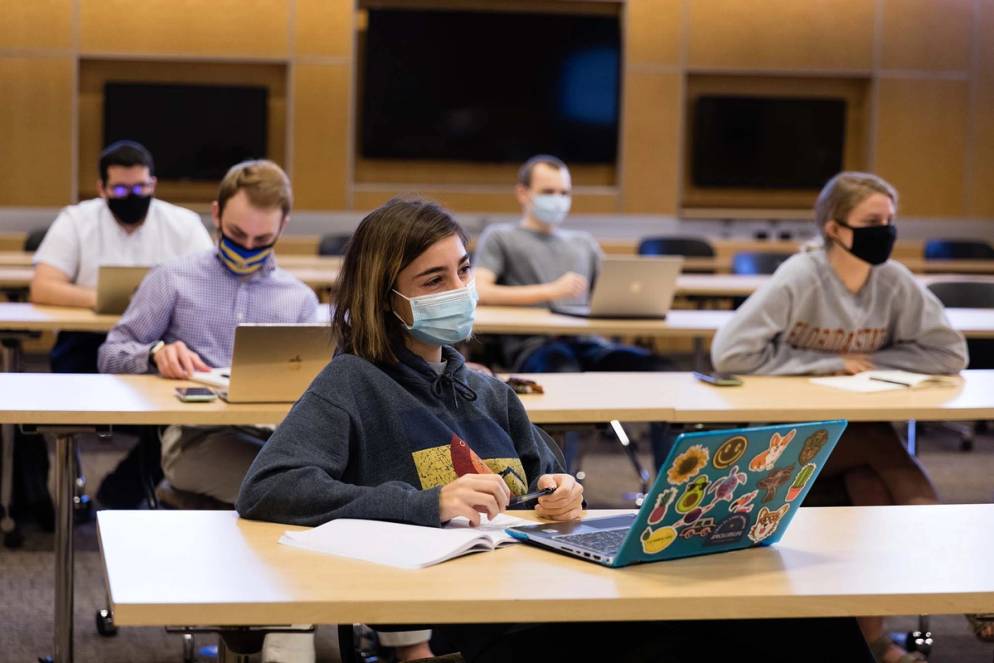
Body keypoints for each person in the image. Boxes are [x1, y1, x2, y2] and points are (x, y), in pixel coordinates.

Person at [237, 197, 873, 663]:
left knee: (801, 619)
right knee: (714, 638)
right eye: (434, 280)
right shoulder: (353, 382)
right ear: (384, 297)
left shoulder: (487, 391)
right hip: (473, 627)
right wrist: (425, 504)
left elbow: (551, 484)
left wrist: (564, 492)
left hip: (551, 596)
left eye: (463, 270)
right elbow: (269, 487)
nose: (459, 289)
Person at [711, 171, 968, 663]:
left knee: (870, 485)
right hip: (784, 439)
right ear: (834, 227)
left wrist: (884, 364)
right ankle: (958, 561)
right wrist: (822, 363)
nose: (885, 231)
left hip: (852, 436)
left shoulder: (893, 280)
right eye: (873, 221)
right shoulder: (801, 276)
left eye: (891, 221)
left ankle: (873, 643)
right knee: (878, 449)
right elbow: (730, 353)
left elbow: (949, 352)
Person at [98, 159, 319, 506]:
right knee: (298, 491)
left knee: (320, 478)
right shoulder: (172, 278)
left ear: (283, 226)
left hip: (277, 438)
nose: (247, 247)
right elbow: (110, 354)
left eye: (262, 239)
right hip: (195, 439)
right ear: (216, 214)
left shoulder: (300, 299)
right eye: (236, 234)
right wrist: (154, 354)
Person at [21, 140, 213, 516]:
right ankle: (41, 506)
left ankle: (118, 494)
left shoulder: (182, 224)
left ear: (153, 184)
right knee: (35, 408)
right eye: (122, 190)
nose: (133, 196)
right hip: (85, 344)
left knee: (189, 413)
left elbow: (207, 286)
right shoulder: (77, 220)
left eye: (141, 188)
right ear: (102, 189)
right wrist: (106, 299)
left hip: (161, 344)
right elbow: (42, 285)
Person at [473, 155, 672, 468]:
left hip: (588, 344)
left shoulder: (583, 243)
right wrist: (550, 291)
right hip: (535, 347)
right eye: (548, 192)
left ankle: (667, 484)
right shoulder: (501, 237)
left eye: (564, 193)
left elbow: (612, 290)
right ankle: (562, 486)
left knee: (662, 371)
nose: (558, 200)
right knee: (563, 375)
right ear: (523, 193)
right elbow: (479, 290)